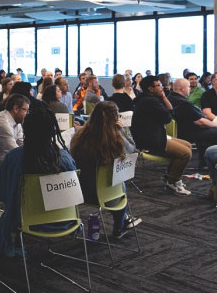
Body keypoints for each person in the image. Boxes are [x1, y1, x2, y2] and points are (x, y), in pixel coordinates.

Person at [70, 101, 139, 238]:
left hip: (81, 191)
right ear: (115, 118)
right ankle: (119, 228)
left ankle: (124, 218)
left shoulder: (79, 135)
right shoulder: (115, 140)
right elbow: (132, 149)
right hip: (109, 194)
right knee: (120, 186)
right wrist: (122, 130)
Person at [131, 75, 192, 196]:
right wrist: (164, 98)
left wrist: (163, 96)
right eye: (158, 85)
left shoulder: (148, 98)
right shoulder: (150, 101)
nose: (162, 87)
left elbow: (170, 112)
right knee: (186, 153)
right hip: (151, 140)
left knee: (187, 145)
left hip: (155, 134)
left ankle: (170, 176)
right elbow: (168, 118)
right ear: (150, 88)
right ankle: (173, 182)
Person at [168, 78, 217, 165]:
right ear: (182, 89)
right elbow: (200, 122)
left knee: (214, 132)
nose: (190, 89)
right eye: (188, 87)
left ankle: (206, 162)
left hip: (181, 130)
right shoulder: (183, 103)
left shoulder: (170, 98)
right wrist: (216, 125)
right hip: (189, 132)